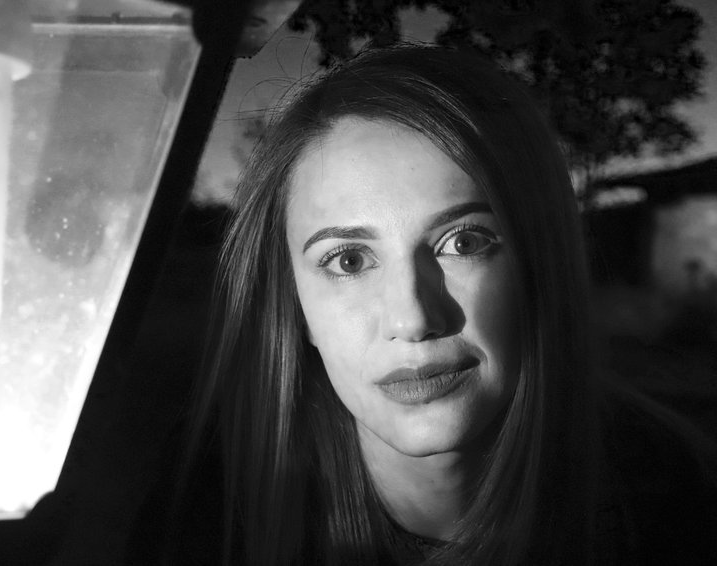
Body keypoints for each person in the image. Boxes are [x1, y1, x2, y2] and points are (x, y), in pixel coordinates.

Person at [155, 43, 717, 565]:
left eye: (463, 243)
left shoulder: (668, 490)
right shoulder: (212, 499)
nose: (415, 320)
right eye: (348, 260)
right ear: (296, 307)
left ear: (538, 265)